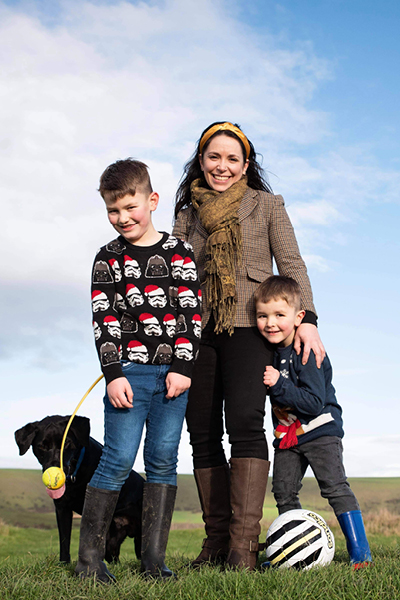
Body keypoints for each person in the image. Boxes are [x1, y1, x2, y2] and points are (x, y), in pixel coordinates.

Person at [172, 121, 325, 570]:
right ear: (201, 161)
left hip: (248, 325)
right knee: (200, 428)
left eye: (232, 159)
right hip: (197, 330)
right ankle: (216, 541)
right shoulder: (188, 211)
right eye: (213, 157)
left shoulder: (267, 205)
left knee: (243, 421)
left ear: (245, 164)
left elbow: (291, 261)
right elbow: (175, 274)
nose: (222, 166)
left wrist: (308, 319)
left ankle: (243, 547)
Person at [75, 158, 201, 582]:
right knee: (117, 459)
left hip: (173, 378)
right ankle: (89, 562)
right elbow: (103, 319)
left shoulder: (179, 252)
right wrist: (114, 375)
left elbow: (190, 315)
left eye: (130, 207)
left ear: (152, 200)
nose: (122, 218)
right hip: (129, 374)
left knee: (163, 459)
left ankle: (152, 560)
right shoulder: (106, 258)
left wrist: (182, 367)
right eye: (113, 210)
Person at [255, 275, 372, 568]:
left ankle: (361, 554)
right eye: (262, 315)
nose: (270, 323)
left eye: (279, 315)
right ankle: (292, 550)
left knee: (334, 487)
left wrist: (277, 385)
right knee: (283, 491)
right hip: (288, 437)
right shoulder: (271, 352)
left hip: (320, 432)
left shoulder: (306, 351)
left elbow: (313, 402)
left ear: (299, 317)